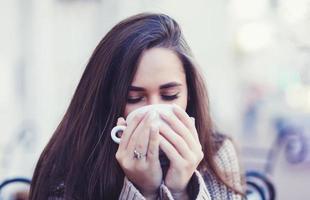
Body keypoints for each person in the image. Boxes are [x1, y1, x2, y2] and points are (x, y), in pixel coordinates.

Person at [29, 13, 244, 200]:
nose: (154, 111)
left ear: (189, 95)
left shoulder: (218, 156)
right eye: (134, 98)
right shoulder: (71, 166)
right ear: (107, 101)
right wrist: (142, 192)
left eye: (170, 95)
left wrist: (181, 192)